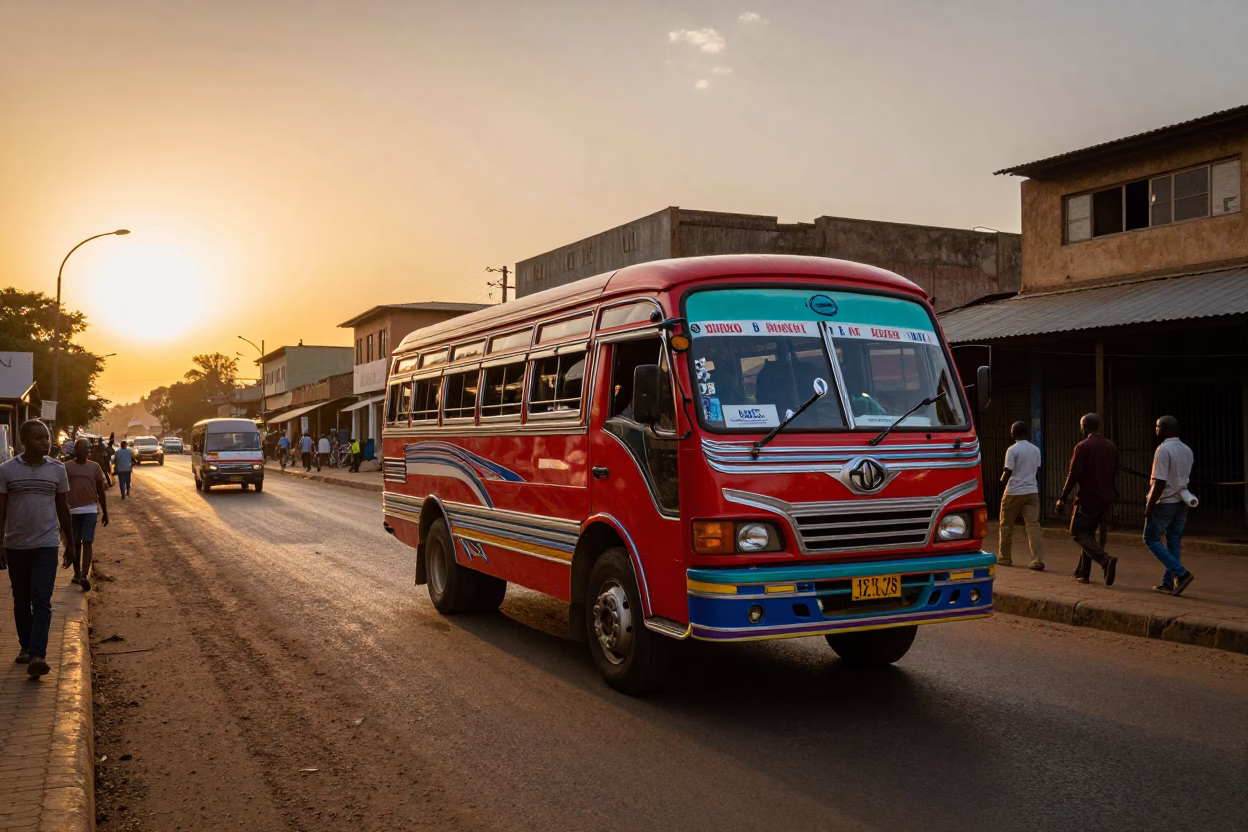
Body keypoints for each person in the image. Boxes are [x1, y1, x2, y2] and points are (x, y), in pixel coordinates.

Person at [0, 420, 75, 677]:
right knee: (21, 600)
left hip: (46, 545)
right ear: (24, 441)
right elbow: (0, 511)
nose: (46, 442)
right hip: (16, 546)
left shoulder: (57, 469)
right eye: (38, 438)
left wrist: (70, 543)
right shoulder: (6, 470)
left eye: (47, 437)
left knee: (41, 599)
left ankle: (38, 654)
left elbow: (63, 508)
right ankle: (26, 646)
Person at [1055, 413, 1119, 586]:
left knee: (1076, 532)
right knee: (1088, 534)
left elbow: (1073, 475)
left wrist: (1062, 498)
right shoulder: (1111, 446)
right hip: (1105, 498)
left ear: (1084, 427)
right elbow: (1114, 472)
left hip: (1087, 498)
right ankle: (1083, 572)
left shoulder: (1082, 446)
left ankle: (1105, 560)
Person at [1144, 415, 1196, 596]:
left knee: (1150, 538)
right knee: (1174, 540)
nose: (1155, 430)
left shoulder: (1163, 449)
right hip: (1182, 500)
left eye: (1157, 427)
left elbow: (1160, 481)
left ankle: (1181, 574)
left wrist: (1150, 504)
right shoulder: (1187, 450)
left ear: (1164, 429)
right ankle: (1167, 582)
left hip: (1165, 501)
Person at [64, 439, 108, 592]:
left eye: (86, 449)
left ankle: (84, 576)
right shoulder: (66, 467)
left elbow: (101, 491)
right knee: (75, 542)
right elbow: (61, 490)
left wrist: (105, 512)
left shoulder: (94, 467)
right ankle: (76, 574)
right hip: (72, 510)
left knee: (87, 541)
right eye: (81, 449)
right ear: (75, 450)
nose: (84, 451)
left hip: (90, 509)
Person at [998, 420, 1044, 570]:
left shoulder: (1012, 450)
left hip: (1013, 492)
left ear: (1014, 433)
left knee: (1006, 526)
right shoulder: (1036, 450)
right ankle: (1036, 559)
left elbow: (1008, 470)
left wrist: (1001, 482)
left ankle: (1005, 558)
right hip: (1032, 491)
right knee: (1033, 526)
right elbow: (1037, 469)